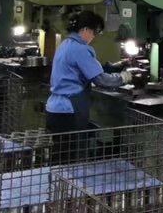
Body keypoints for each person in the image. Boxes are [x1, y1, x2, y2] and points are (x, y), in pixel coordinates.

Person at [46, 11, 132, 147]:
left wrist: (115, 66)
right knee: (73, 155)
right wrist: (122, 78)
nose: (94, 36)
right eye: (94, 32)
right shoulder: (80, 49)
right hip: (69, 111)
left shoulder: (65, 44)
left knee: (61, 154)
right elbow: (101, 80)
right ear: (85, 29)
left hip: (54, 110)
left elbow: (84, 69)